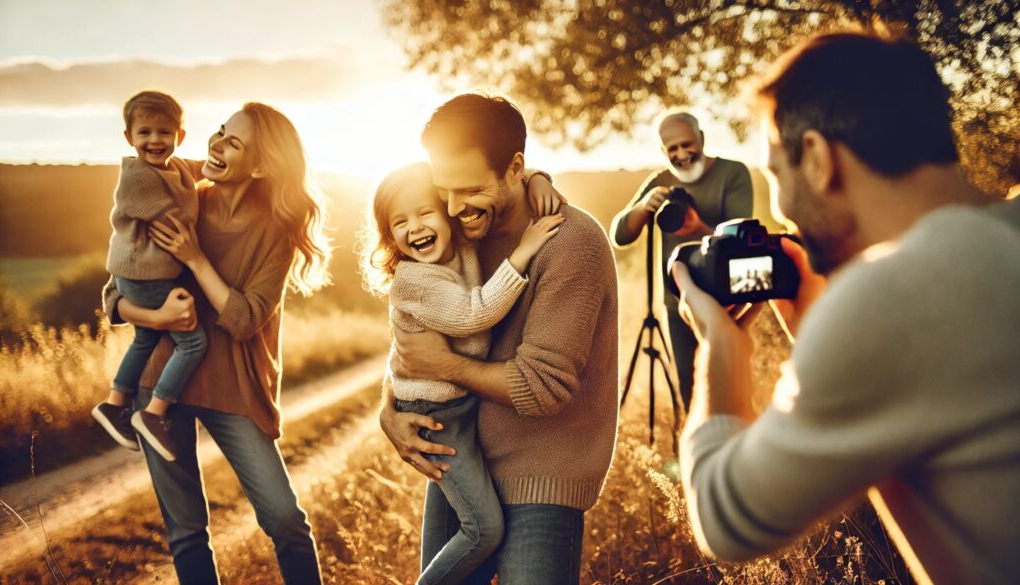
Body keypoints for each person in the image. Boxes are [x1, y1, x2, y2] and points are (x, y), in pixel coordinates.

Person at [671, 31, 1020, 584]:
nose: (783, 212)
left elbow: (724, 522)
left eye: (775, 175)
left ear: (816, 157)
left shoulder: (894, 296)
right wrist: (817, 324)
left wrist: (720, 346)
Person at [380, 92, 619, 585]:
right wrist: (389, 410)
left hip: (543, 475)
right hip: (460, 461)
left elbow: (542, 389)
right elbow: (414, 332)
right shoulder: (458, 233)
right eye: (444, 189)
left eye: (468, 188)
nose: (452, 206)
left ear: (515, 168)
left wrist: (445, 368)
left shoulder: (571, 243)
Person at [101, 102, 329, 584]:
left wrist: (194, 257)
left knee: (285, 520)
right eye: (220, 132)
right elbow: (113, 294)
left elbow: (244, 318)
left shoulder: (277, 229)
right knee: (186, 532)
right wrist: (155, 315)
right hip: (160, 383)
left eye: (234, 142)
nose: (216, 143)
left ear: (261, 165)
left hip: (237, 387)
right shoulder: (178, 198)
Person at [362, 161, 564, 584]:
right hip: (438, 421)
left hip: (460, 410)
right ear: (389, 236)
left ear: (449, 213)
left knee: (469, 524)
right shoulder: (413, 279)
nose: (415, 228)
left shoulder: (462, 248)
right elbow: (475, 314)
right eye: (399, 222)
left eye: (424, 213)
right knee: (484, 529)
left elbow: (498, 180)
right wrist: (523, 252)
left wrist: (537, 178)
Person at [92, 90, 207, 462]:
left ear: (179, 136)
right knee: (193, 343)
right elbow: (176, 223)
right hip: (146, 277)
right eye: (144, 133)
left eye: (163, 132)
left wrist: (219, 168)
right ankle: (153, 414)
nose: (154, 141)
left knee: (145, 338)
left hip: (139, 276)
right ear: (129, 138)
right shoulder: (138, 178)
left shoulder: (172, 167)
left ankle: (115, 402)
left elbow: (197, 169)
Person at [610, 111, 753, 410]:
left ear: (702, 138)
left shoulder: (733, 173)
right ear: (663, 152)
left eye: (687, 144)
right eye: (671, 149)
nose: (682, 154)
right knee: (690, 391)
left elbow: (743, 240)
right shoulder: (660, 181)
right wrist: (641, 208)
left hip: (727, 301)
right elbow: (620, 235)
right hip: (677, 302)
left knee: (731, 387)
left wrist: (697, 227)